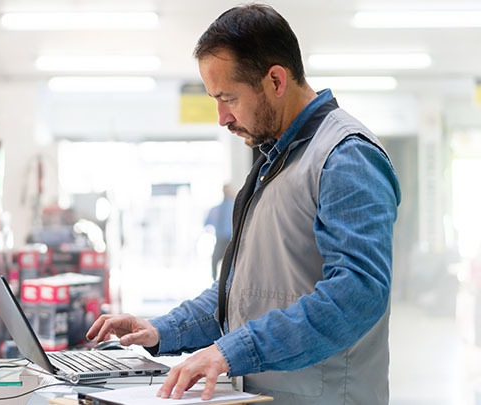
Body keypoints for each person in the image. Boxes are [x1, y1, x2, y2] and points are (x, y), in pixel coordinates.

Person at [87, 4, 401, 404]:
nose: (221, 117)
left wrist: (230, 351)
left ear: (275, 80)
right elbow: (245, 293)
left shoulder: (344, 157)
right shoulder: (277, 161)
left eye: (228, 98)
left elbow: (358, 293)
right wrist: (161, 330)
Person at [204, 184, 234, 280]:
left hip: (232, 239)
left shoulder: (235, 206)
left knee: (231, 262)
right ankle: (215, 279)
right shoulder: (217, 208)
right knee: (215, 259)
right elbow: (207, 223)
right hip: (221, 238)